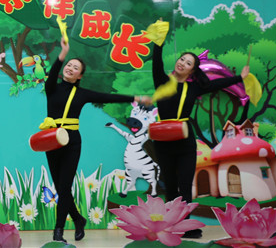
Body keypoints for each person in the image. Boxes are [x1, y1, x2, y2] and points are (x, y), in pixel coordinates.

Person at [43, 38, 151, 244]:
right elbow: (53, 71)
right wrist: (63, 53)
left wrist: (136, 98)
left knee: (64, 187)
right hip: (51, 140)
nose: (70, 68)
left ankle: (58, 231)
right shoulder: (52, 88)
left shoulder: (82, 94)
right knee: (61, 188)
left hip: (72, 142)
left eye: (75, 68)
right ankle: (78, 219)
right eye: (69, 65)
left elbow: (107, 97)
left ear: (80, 76)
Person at [151, 31, 248, 239]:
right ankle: (173, 226)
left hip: (185, 142)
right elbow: (156, 63)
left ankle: (186, 226)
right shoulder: (162, 81)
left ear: (192, 70)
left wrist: (240, 77)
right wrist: (158, 43)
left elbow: (217, 84)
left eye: (188, 63)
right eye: (182, 59)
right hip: (164, 141)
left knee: (185, 186)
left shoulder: (194, 88)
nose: (182, 63)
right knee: (170, 186)